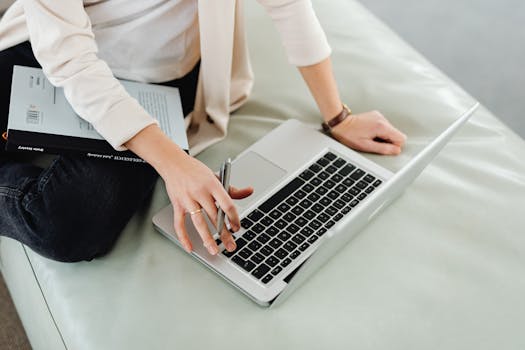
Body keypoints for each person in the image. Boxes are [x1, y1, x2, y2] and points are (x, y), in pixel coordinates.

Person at [0, 0, 406, 263]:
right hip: (46, 53)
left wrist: (338, 117)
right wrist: (174, 163)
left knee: (67, 224)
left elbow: (288, 5)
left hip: (152, 82)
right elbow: (70, 59)